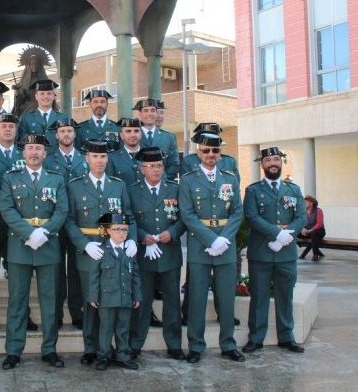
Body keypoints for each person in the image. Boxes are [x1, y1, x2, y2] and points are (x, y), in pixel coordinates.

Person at [0, 134, 69, 370]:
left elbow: (62, 211)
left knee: (50, 301)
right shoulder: (10, 179)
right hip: (20, 245)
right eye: (30, 148)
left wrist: (45, 232)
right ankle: (13, 351)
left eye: (38, 148)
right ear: (23, 152)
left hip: (48, 245)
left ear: (45, 153)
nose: (34, 152)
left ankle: (49, 349)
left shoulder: (56, 179)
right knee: (17, 301)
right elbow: (6, 209)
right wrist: (29, 233)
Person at [65, 140, 137, 366]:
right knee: (91, 302)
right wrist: (84, 244)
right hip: (89, 251)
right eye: (95, 157)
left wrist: (132, 240)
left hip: (115, 252)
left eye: (103, 157)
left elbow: (129, 215)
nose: (99, 161)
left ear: (107, 159)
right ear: (87, 159)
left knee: (117, 301)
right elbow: (69, 220)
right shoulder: (75, 185)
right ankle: (91, 348)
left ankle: (118, 349)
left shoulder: (118, 185)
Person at [178, 132, 245, 364]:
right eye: (205, 150)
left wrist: (224, 239)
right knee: (196, 299)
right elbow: (187, 214)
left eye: (215, 151)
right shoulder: (188, 180)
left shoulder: (230, 178)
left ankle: (228, 344)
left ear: (220, 153)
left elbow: (237, 211)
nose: (210, 155)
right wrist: (210, 240)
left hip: (225, 245)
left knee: (226, 298)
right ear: (198, 152)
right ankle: (196, 346)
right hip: (200, 246)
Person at [242, 147, 307, 355]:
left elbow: (301, 217)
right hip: (261, 252)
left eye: (276, 159)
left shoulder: (293, 189)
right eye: (268, 160)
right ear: (262, 164)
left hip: (286, 253)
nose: (272, 163)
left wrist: (286, 236)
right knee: (259, 296)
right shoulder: (253, 190)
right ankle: (256, 338)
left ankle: (287, 337)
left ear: (281, 163)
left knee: (285, 295)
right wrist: (276, 235)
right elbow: (252, 216)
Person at [0, 113, 38, 331]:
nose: (8, 129)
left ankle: (24, 316)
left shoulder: (26, 154)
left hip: (19, 224)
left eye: (12, 126)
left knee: (19, 275)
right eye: (4, 126)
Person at [128, 147, 186, 360]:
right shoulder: (132, 191)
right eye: (151, 166)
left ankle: (174, 344)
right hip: (142, 256)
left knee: (172, 302)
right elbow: (129, 218)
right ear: (142, 169)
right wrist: (142, 237)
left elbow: (183, 218)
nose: (156, 170)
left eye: (159, 166)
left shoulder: (174, 189)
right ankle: (135, 343)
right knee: (141, 302)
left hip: (169, 253)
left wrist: (172, 233)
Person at [43, 118, 87, 329]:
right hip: (56, 222)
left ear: (75, 134)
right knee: (56, 270)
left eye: (70, 131)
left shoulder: (85, 159)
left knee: (77, 270)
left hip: (80, 221)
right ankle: (57, 313)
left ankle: (77, 312)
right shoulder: (49, 160)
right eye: (62, 131)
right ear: (56, 135)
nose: (66, 134)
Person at [89, 213, 141, 371]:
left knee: (123, 328)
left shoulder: (129, 251)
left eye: (125, 230)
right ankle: (104, 356)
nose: (121, 233)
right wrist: (93, 296)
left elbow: (135, 275)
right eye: (117, 229)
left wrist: (137, 295)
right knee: (106, 328)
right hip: (107, 297)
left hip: (125, 297)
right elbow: (94, 275)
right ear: (108, 231)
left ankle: (123, 355)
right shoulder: (101, 250)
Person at [134, 98, 179, 180]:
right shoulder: (132, 136)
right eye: (146, 110)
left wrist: (161, 181)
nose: (150, 114)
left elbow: (174, 164)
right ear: (139, 114)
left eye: (153, 110)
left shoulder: (169, 137)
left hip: (161, 187)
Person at [17, 79, 69, 149]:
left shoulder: (63, 118)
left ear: (53, 96)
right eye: (42, 93)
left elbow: (68, 142)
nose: (46, 96)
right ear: (36, 96)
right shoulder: (27, 118)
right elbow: (21, 144)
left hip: (56, 158)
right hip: (34, 158)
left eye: (49, 93)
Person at [12, 46, 54, 116]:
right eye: (32, 64)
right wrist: (18, 91)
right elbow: (20, 99)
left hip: (43, 107)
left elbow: (51, 96)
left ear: (39, 65)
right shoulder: (24, 81)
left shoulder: (45, 80)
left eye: (36, 64)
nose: (34, 66)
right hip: (27, 109)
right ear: (29, 65)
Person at [106, 118, 143, 186]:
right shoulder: (112, 158)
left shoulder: (150, 156)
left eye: (136, 131)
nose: (133, 135)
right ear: (121, 135)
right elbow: (109, 186)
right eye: (128, 131)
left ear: (141, 134)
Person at [299, 195, 326, 261]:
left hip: (319, 231)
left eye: (305, 202)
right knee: (295, 233)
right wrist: (302, 229)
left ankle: (315, 255)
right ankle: (319, 253)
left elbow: (319, 224)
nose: (304, 204)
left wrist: (309, 231)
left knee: (314, 235)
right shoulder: (303, 211)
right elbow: (301, 222)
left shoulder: (318, 210)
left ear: (311, 203)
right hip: (308, 231)